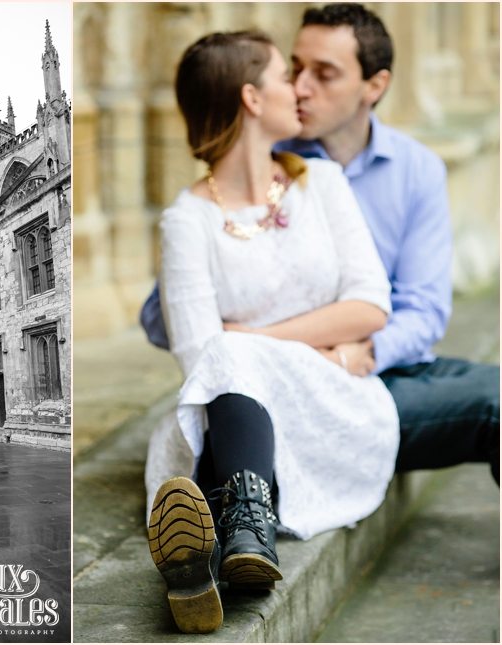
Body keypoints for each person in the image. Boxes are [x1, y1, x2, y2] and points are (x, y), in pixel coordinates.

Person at [140, 3, 499, 485]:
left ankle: (222, 486)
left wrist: (345, 356)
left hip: (378, 366)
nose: (302, 87)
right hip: (266, 388)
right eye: (295, 70)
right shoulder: (262, 164)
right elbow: (171, 322)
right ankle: (235, 502)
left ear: (375, 86)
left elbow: (418, 310)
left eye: (324, 74)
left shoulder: (413, 171)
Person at [145, 29, 400, 634]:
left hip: (332, 397)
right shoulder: (186, 221)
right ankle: (241, 537)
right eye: (288, 77)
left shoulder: (323, 184)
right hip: (238, 405)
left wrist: (252, 339)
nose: (301, 89)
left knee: (232, 354)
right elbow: (197, 359)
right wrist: (318, 341)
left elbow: (370, 307)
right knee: (225, 367)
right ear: (253, 99)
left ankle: (216, 538)